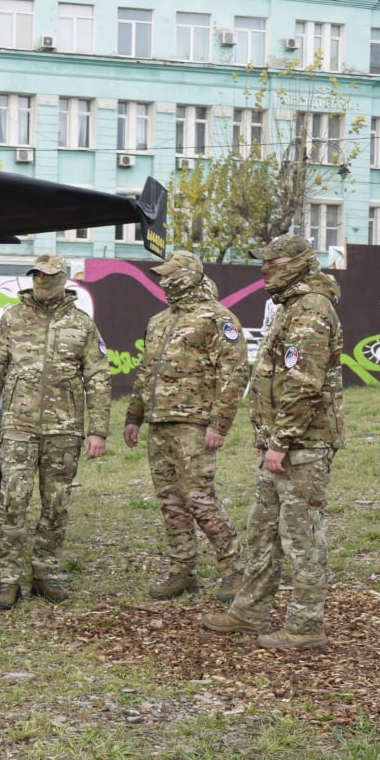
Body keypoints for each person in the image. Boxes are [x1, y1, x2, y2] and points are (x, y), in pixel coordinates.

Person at [203, 235, 343, 649]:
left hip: (304, 444)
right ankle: (249, 610)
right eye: (262, 261)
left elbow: (303, 386)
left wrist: (280, 442)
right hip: (280, 442)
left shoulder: (312, 310)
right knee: (263, 530)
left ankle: (305, 627)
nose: (264, 268)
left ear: (299, 261)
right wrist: (266, 439)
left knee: (300, 536)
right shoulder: (289, 306)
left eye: (273, 260)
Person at [0, 253, 110, 610]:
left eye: (49, 276)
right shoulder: (13, 319)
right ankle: (8, 580)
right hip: (18, 428)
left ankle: (44, 573)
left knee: (55, 505)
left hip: (64, 430)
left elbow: (97, 377)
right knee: (12, 502)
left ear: (63, 279)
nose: (42, 281)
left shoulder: (82, 325)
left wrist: (97, 430)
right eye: (37, 275)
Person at [123, 251, 248, 602]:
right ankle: (183, 571)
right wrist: (134, 416)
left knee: (200, 500)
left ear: (189, 275)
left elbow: (235, 373)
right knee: (170, 501)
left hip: (195, 424)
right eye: (161, 276)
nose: (163, 282)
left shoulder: (218, 318)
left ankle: (234, 571)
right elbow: (146, 372)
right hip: (159, 423)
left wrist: (219, 424)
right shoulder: (159, 320)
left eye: (169, 275)